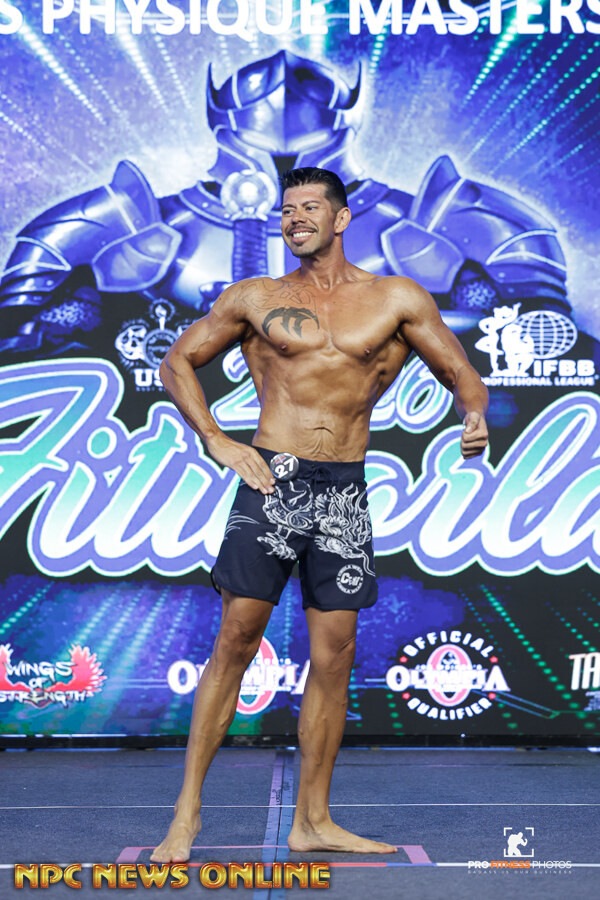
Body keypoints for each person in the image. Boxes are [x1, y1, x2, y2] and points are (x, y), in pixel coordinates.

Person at [151, 166, 489, 862]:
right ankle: (185, 816)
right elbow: (178, 361)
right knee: (236, 640)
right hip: (273, 482)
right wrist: (217, 439)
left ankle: (313, 820)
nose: (294, 218)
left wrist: (474, 413)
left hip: (343, 492)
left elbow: (461, 372)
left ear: (341, 218)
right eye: (286, 209)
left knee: (334, 657)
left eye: (309, 207)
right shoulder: (256, 297)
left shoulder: (395, 298)